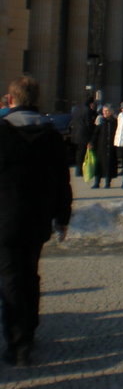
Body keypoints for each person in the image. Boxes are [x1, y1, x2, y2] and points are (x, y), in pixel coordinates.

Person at [0, 76, 72, 366]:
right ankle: (28, 331)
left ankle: (18, 343)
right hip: (38, 217)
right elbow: (62, 181)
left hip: (4, 217)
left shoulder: (2, 134)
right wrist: (62, 217)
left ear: (11, 99)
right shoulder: (51, 135)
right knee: (30, 274)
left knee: (10, 279)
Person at [88, 104, 118, 188]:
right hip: (101, 146)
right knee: (99, 165)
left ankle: (108, 182)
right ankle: (97, 182)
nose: (105, 113)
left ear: (111, 112)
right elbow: (95, 134)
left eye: (107, 111)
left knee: (109, 165)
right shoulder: (101, 121)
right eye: (104, 111)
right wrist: (91, 142)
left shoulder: (114, 121)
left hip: (111, 146)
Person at [69, 98, 96, 177]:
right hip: (83, 135)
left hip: (75, 134)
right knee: (83, 153)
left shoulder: (76, 109)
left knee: (78, 153)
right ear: (90, 103)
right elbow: (88, 124)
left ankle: (78, 170)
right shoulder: (87, 110)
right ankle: (80, 170)